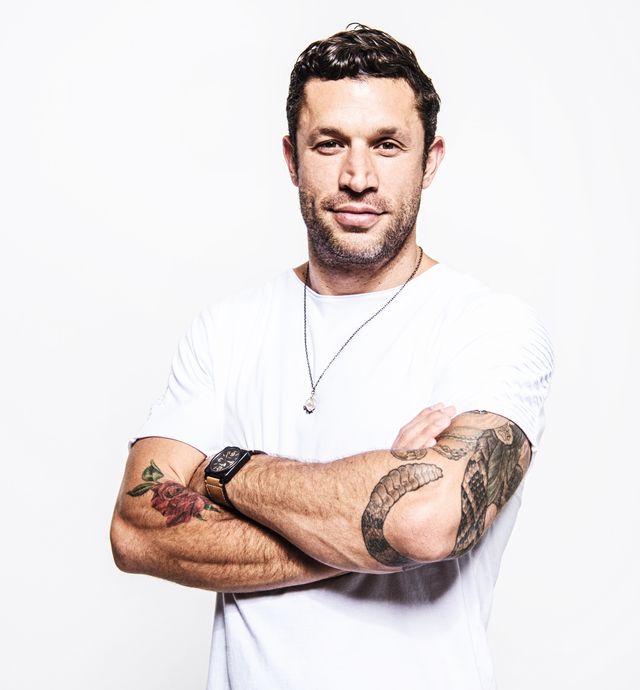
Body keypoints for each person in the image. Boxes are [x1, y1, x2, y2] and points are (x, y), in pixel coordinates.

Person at [111, 24, 554, 690]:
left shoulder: (489, 327)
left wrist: (225, 470)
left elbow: (424, 523)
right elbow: (137, 529)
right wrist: (366, 522)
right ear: (292, 158)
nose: (358, 177)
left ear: (430, 161)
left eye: (387, 145)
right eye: (330, 143)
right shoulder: (227, 328)